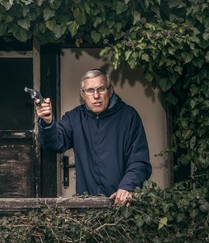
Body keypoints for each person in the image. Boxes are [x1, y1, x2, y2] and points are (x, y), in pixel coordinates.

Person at [35, 69, 152, 205]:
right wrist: (47, 122)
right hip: (87, 207)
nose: (96, 96)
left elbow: (139, 161)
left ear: (110, 90)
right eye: (90, 90)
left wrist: (127, 186)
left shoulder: (129, 117)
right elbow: (54, 143)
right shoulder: (74, 118)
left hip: (122, 204)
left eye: (101, 89)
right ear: (82, 94)